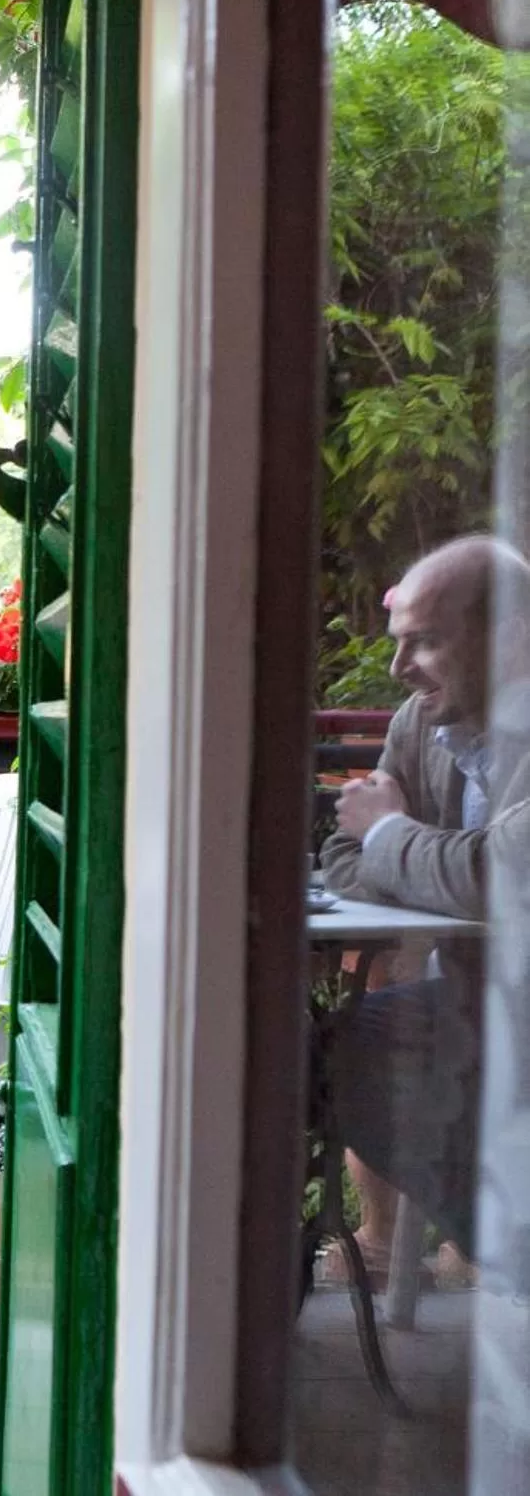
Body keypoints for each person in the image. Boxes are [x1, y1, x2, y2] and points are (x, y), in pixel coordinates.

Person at [319, 535, 530, 1267]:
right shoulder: (422, 720)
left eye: (425, 642)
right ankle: (499, 1242)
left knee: (360, 1046)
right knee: (333, 1047)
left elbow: (502, 873)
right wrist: (395, 843)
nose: (398, 669)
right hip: (481, 1002)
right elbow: (345, 854)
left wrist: (392, 836)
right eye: (397, 642)